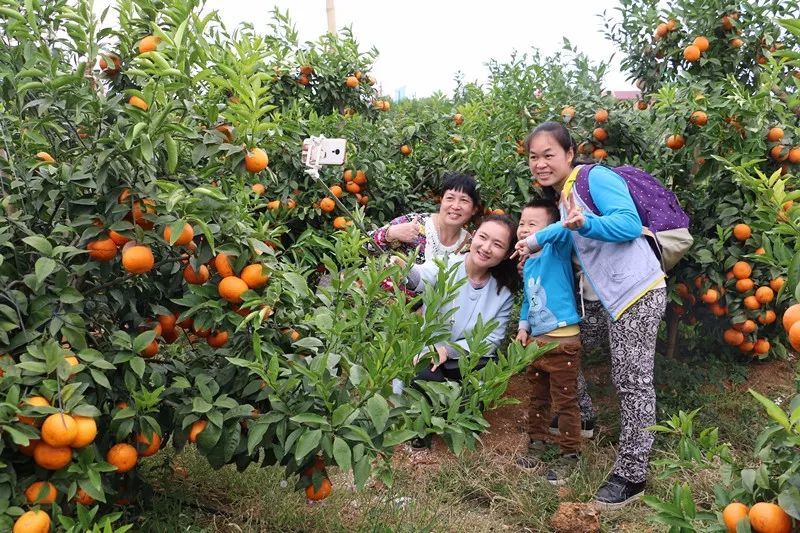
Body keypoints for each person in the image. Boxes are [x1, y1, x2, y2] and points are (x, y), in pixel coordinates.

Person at [514, 121, 666, 509]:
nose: (540, 163)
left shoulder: (593, 177)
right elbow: (565, 237)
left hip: (638, 291)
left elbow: (629, 224)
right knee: (562, 346)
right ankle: (580, 418)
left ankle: (632, 475)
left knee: (631, 381)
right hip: (606, 298)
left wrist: (589, 223)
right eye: (534, 157)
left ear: (569, 154)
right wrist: (534, 250)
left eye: (549, 154)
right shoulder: (564, 195)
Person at [400, 214, 519, 384]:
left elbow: (492, 339)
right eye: (483, 237)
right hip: (428, 353)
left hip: (464, 358)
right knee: (424, 379)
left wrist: (447, 351)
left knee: (484, 379)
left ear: (508, 253)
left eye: (497, 244)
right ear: (474, 235)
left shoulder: (503, 292)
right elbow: (421, 277)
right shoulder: (446, 264)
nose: (486, 247)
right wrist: (404, 269)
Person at [514, 199, 583, 485]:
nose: (524, 229)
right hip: (537, 344)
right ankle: (537, 444)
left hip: (563, 342)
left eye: (533, 224)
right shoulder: (529, 264)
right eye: (521, 223)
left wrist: (533, 240)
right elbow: (530, 300)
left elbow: (561, 230)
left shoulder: (557, 248)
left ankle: (570, 455)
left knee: (565, 402)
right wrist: (523, 326)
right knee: (538, 398)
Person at [369, 172, 480, 264]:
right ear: (441, 200)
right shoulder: (414, 223)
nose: (455, 206)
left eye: (464, 200)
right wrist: (389, 234)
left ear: (474, 209)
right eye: (450, 198)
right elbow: (364, 246)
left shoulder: (470, 246)